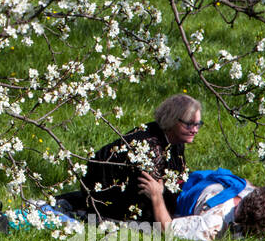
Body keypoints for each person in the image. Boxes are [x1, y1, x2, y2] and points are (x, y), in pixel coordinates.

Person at [60, 94, 202, 224]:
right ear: (172, 120)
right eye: (189, 124)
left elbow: (175, 180)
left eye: (198, 124)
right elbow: (150, 191)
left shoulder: (175, 141)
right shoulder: (151, 148)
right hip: (106, 195)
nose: (194, 130)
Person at [165, 168, 265, 241]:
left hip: (195, 188)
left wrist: (155, 195)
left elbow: (167, 227)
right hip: (227, 182)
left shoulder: (213, 225)